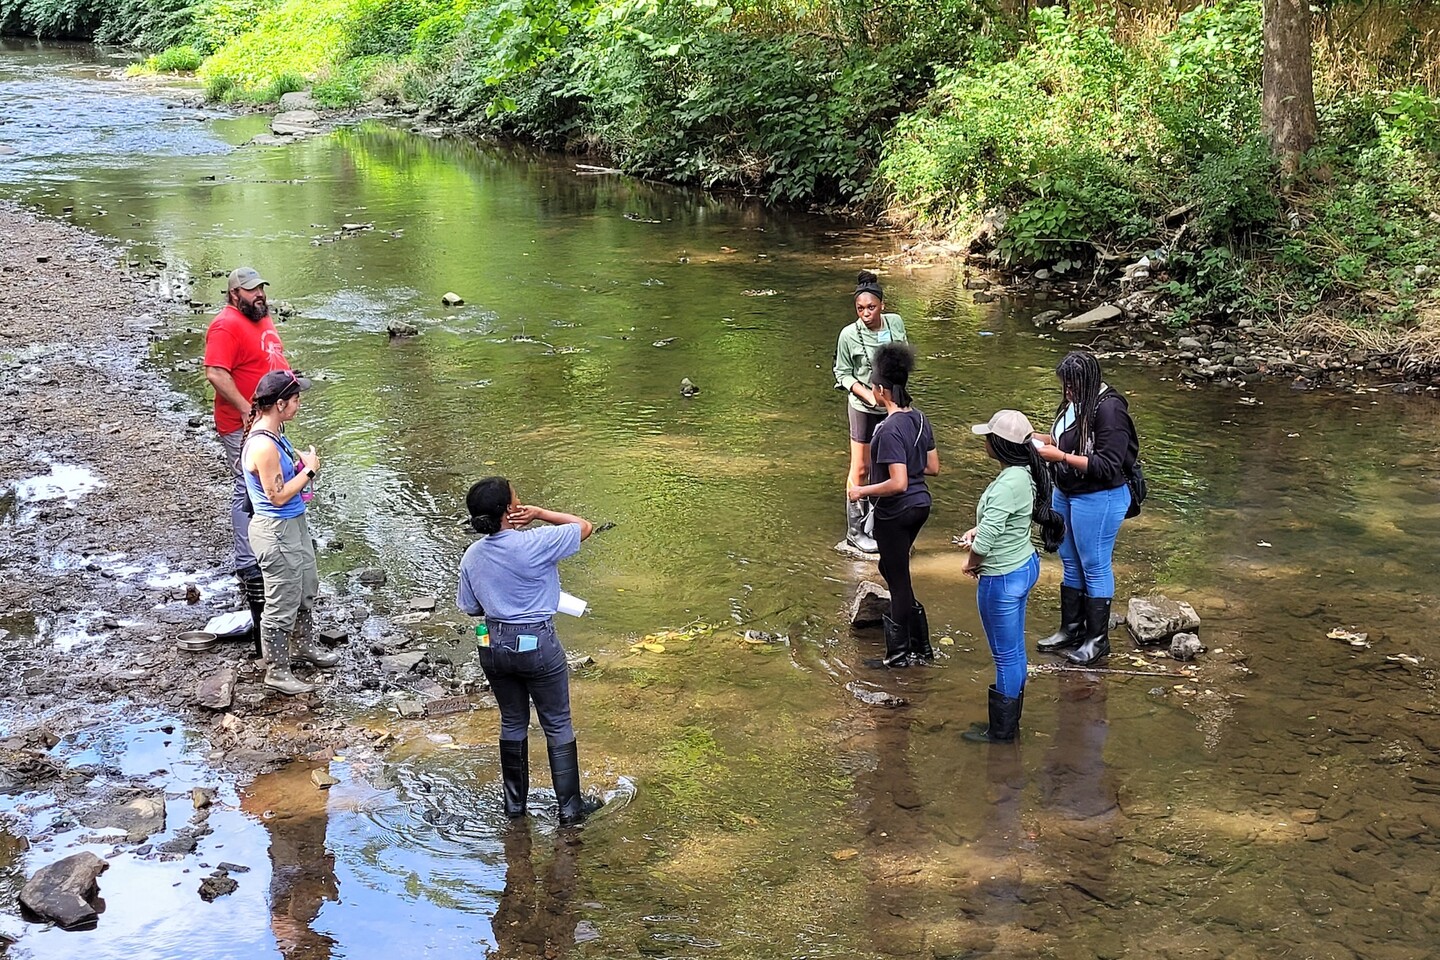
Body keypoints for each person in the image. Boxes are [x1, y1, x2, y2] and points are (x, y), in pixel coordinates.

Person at [456, 478, 599, 825]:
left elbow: (470, 607)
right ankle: (569, 810)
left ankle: (514, 808)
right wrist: (540, 513)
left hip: (492, 646)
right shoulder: (537, 541)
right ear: (510, 510)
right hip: (538, 644)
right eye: (517, 497)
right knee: (557, 723)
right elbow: (583, 526)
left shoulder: (472, 555)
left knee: (513, 721)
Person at [958, 410, 1065, 743]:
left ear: (999, 445)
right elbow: (1010, 520)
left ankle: (1001, 734)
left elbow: (988, 541)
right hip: (1024, 565)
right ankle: (1010, 724)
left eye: (989, 436)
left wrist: (971, 562)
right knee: (1016, 651)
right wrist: (980, 529)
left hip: (1001, 577)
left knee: (1005, 657)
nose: (985, 441)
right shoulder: (1026, 474)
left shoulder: (1007, 484)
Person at [1032, 351, 1140, 666]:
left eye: (1071, 386)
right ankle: (1071, 629)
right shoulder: (1075, 402)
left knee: (1094, 564)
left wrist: (1062, 458)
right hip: (1067, 491)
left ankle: (1097, 640)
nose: (1066, 391)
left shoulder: (1110, 410)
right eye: (1064, 386)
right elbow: (1063, 439)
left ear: (1088, 382)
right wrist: (1035, 439)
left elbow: (1108, 465)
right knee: (1070, 560)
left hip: (1099, 496)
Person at [205, 267, 290, 646]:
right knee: (246, 486)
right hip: (241, 423)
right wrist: (245, 408)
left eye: (261, 289)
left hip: (270, 417)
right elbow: (216, 373)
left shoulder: (261, 318)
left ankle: (270, 535)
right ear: (233, 293)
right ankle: (248, 559)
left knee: (269, 478)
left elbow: (272, 357)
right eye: (251, 291)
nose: (259, 296)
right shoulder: (225, 326)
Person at [242, 369, 337, 695]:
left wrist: (299, 466)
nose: (299, 405)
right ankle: (278, 670)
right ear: (280, 404)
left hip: (294, 523)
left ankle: (302, 648)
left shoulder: (276, 432)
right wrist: (310, 469)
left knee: (306, 586)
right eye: (296, 400)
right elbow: (278, 495)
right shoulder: (263, 446)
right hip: (275, 530)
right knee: (281, 600)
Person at [846, 343, 938, 667]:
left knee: (898, 583)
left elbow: (897, 483)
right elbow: (932, 467)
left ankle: (897, 657)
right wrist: (907, 463)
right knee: (892, 569)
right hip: (920, 506)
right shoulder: (921, 419)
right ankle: (921, 647)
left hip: (896, 513)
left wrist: (861, 491)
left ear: (881, 390)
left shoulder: (886, 429)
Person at [834, 269, 908, 554]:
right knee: (862, 467)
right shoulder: (848, 335)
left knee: (887, 467)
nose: (866, 313)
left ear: (883, 306)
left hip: (893, 405)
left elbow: (903, 359)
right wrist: (866, 394)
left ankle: (877, 524)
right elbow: (842, 372)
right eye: (860, 308)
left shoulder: (896, 323)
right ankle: (854, 532)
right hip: (864, 407)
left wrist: (898, 396)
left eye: (871, 307)